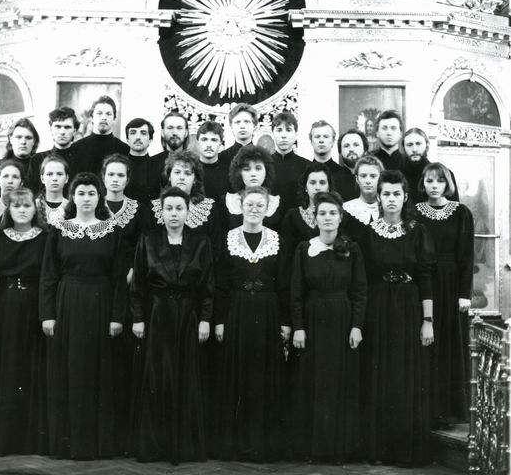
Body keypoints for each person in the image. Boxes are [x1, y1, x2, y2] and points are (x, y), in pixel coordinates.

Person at [40, 172, 126, 459]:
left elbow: (118, 279)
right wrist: (48, 315)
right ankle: (67, 443)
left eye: (91, 193)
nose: (86, 198)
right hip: (67, 305)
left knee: (98, 371)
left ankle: (98, 444)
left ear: (99, 197)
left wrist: (117, 316)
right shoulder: (59, 230)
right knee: (69, 369)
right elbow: (48, 276)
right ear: (72, 197)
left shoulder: (111, 231)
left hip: (101, 304)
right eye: (81, 193)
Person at [130, 186, 214, 464]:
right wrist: (138, 319)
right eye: (169, 208)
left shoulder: (201, 241)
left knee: (187, 378)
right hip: (158, 316)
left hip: (189, 316)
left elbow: (208, 286)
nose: (174, 214)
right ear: (161, 211)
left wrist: (205, 320)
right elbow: (138, 286)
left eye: (179, 208)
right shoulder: (148, 240)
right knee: (159, 377)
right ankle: (157, 447)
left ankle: (186, 447)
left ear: (188, 211)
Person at [359, 170, 434, 467]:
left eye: (396, 194)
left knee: (405, 375)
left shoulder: (417, 231)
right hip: (378, 309)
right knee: (380, 374)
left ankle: (405, 451)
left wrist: (427, 320)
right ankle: (379, 450)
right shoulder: (368, 232)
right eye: (386, 194)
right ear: (378, 197)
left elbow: (425, 277)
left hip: (409, 307)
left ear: (405, 197)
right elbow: (363, 280)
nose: (391, 199)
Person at [214, 186, 290, 461]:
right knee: (238, 374)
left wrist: (286, 322)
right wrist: (219, 321)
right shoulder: (228, 239)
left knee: (264, 376)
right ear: (241, 206)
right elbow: (220, 284)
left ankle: (263, 445)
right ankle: (238, 445)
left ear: (268, 209)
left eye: (260, 205)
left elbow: (284, 285)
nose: (255, 210)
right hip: (237, 312)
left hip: (268, 314)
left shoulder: (277, 240)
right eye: (250, 205)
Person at [290, 191, 366, 463]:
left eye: (333, 213)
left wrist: (356, 326)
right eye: (322, 213)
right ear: (314, 218)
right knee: (314, 383)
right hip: (313, 322)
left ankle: (340, 449)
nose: (327, 218)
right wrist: (298, 327)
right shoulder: (304, 249)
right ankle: (315, 449)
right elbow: (296, 293)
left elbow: (360, 292)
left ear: (341, 217)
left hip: (342, 322)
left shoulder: (352, 250)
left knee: (340, 384)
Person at [0, 188, 48, 455]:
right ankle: (4, 440)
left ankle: (30, 441)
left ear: (35, 209)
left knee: (32, 367)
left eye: (27, 206)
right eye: (16, 206)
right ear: (8, 210)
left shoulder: (46, 238)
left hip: (35, 306)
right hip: (5, 306)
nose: (22, 210)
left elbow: (49, 277)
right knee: (7, 368)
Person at [415, 162, 474, 427]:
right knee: (426, 343)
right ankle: (427, 410)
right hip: (424, 282)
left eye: (440, 180)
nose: (434, 185)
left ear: (447, 183)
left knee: (450, 343)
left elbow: (467, 255)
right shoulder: (415, 211)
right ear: (423, 183)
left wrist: (464, 293)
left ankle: (450, 411)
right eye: (429, 180)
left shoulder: (461, 212)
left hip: (451, 284)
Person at [101, 153, 146, 454]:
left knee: (125, 358)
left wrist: (133, 270)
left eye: (121, 175)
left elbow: (143, 244)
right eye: (111, 174)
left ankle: (124, 436)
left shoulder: (137, 210)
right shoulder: (93, 205)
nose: (115, 180)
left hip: (129, 284)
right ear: (103, 177)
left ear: (128, 179)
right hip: (101, 287)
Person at [149, 150, 223, 243]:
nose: (182, 177)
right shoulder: (154, 208)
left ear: (195, 179)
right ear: (169, 176)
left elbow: (216, 245)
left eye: (187, 173)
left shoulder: (209, 208)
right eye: (177, 172)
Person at [224, 146, 282, 230]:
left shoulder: (274, 203)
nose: (253, 174)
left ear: (266, 171)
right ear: (239, 173)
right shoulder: (230, 202)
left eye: (258, 168)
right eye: (247, 169)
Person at [27, 107, 80, 194]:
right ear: (51, 129)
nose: (62, 132)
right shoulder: (37, 160)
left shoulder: (83, 159)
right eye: (58, 127)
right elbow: (30, 194)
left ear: (74, 131)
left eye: (67, 127)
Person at [281, 163, 332, 250]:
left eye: (322, 183)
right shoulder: (292, 216)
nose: (317, 187)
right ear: (305, 187)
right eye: (312, 183)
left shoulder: (337, 215)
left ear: (328, 188)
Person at [73, 95, 129, 175]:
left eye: (108, 114)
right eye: (99, 113)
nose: (104, 117)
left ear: (114, 118)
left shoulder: (124, 150)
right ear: (92, 118)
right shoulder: (76, 148)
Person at [402, 128, 459, 204]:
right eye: (409, 145)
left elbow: (455, 208)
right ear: (404, 148)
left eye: (418, 144)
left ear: (427, 145)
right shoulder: (397, 175)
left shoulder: (444, 174)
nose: (414, 149)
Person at [270, 112, 311, 215]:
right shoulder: (263, 165)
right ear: (272, 134)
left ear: (296, 135)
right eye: (279, 130)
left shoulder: (308, 166)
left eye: (288, 130)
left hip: (298, 222)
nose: (283, 135)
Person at [342, 155, 384, 243]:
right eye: (363, 176)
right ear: (357, 179)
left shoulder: (387, 208)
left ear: (380, 179)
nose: (368, 181)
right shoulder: (346, 209)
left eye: (373, 176)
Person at [148, 111, 190, 198]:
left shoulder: (196, 163)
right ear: (162, 132)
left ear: (186, 133)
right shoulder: (150, 163)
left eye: (179, 128)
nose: (175, 132)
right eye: (170, 128)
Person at [196, 121, 229, 202]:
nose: (209, 145)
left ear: (220, 144)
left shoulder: (229, 174)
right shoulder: (188, 171)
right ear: (198, 143)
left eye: (214, 140)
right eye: (204, 139)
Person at [333, 129, 369, 201]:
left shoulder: (377, 178)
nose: (351, 149)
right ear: (340, 152)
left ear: (365, 150)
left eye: (356, 145)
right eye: (346, 146)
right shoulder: (332, 181)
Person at [219, 103, 258, 169]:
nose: (242, 126)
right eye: (237, 122)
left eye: (246, 121)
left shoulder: (263, 157)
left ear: (254, 126)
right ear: (231, 127)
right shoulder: (222, 158)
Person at [125, 118, 154, 203]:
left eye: (143, 133)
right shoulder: (120, 167)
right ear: (127, 139)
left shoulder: (158, 167)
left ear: (150, 140)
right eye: (133, 133)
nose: (138, 137)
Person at [35, 154, 70, 227]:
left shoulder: (71, 207)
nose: (54, 178)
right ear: (42, 178)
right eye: (49, 174)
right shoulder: (33, 206)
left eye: (59, 174)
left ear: (66, 178)